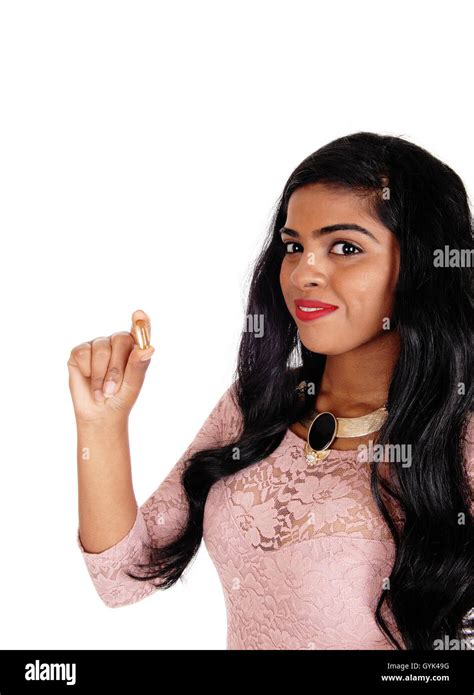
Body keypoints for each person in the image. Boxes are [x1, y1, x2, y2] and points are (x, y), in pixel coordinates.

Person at [67, 132, 474, 650]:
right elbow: (122, 577)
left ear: (418, 266)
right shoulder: (259, 401)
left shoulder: (458, 434)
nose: (305, 271)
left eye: (345, 247)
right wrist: (101, 424)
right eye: (294, 246)